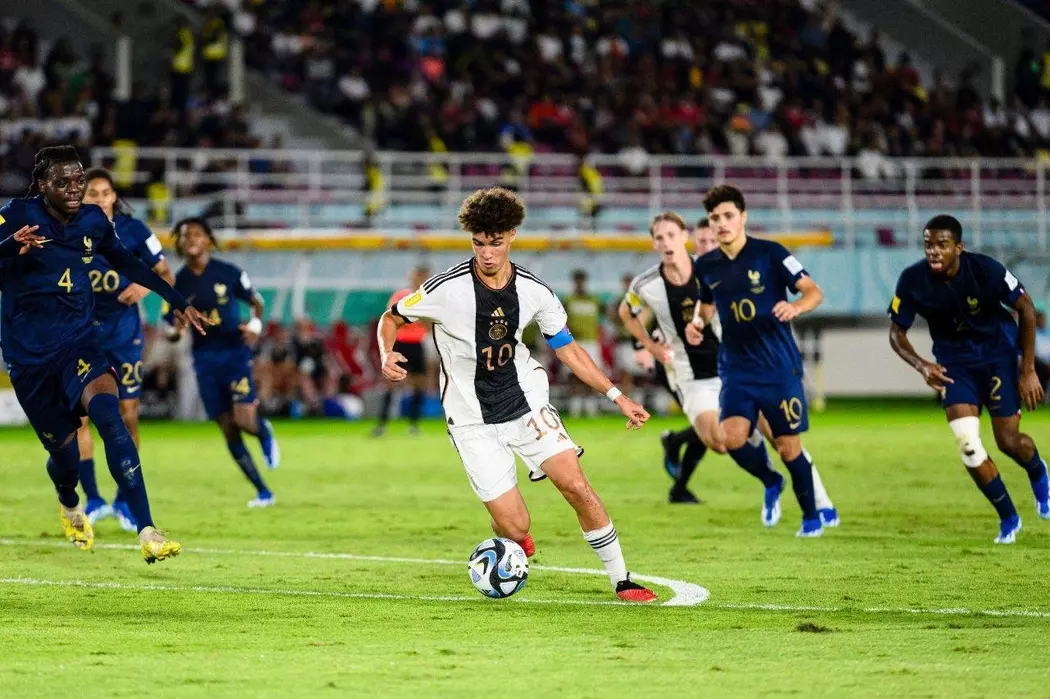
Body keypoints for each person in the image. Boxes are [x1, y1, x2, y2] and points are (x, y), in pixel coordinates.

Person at [377, 186, 657, 603]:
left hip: (526, 403)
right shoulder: (445, 289)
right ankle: (513, 538)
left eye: (495, 242)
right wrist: (386, 353)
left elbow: (568, 348)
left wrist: (617, 395)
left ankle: (622, 579)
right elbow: (391, 318)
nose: (487, 253)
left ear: (511, 235)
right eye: (478, 243)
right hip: (470, 419)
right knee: (516, 526)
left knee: (575, 484)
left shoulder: (534, 291)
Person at [0, 145, 208, 562]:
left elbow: (128, 263)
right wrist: (8, 247)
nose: (74, 189)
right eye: (63, 181)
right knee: (65, 457)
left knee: (111, 418)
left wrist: (176, 300)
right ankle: (69, 499)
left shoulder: (94, 220)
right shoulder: (16, 214)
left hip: (79, 341)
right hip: (29, 357)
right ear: (42, 185)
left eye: (79, 180)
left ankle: (147, 528)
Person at [888, 215, 1049, 543]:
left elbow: (1026, 308)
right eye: (928, 244)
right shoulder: (913, 280)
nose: (934, 251)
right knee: (968, 444)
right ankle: (1008, 517)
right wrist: (922, 365)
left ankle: (1037, 471)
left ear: (958, 247)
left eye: (942, 244)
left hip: (997, 359)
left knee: (1008, 441)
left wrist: (1028, 369)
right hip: (955, 366)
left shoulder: (985, 270)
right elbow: (896, 333)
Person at [689, 185, 832, 537]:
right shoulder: (706, 265)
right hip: (736, 369)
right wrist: (697, 323)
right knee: (732, 438)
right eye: (714, 218)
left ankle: (811, 517)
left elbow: (813, 291)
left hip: (778, 368)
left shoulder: (771, 253)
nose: (721, 223)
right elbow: (706, 305)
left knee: (788, 447)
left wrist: (796, 307)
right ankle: (771, 481)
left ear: (743, 217)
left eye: (728, 216)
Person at [72, 168, 176, 530]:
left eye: (105, 192)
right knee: (79, 417)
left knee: (127, 415)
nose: (100, 199)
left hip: (123, 337)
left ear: (115, 196)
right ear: (82, 198)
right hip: (82, 336)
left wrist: (143, 288)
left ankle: (123, 500)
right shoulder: (70, 230)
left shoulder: (134, 231)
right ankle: (93, 499)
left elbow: (166, 273)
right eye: (93, 193)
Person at [165, 217, 280, 507]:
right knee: (228, 427)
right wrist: (176, 332)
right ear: (179, 243)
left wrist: (254, 326)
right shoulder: (176, 283)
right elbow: (169, 324)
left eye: (197, 234)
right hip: (204, 360)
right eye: (185, 235)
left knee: (244, 420)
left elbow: (256, 301)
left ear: (208, 239)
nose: (191, 239)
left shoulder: (229, 272)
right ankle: (263, 491)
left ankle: (263, 431)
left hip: (234, 354)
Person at [374, 266, 431, 436]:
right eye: (418, 276)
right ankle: (382, 424)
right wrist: (416, 318)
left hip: (417, 344)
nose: (420, 279)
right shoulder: (401, 296)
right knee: (391, 384)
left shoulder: (429, 298)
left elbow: (429, 324)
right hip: (400, 344)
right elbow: (391, 318)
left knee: (419, 384)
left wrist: (413, 318)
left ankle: (414, 424)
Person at [563, 269, 604, 417]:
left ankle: (590, 407)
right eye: (577, 280)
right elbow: (560, 321)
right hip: (573, 342)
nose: (579, 283)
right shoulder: (568, 300)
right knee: (573, 374)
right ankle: (575, 406)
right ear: (574, 282)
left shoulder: (594, 300)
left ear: (585, 281)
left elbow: (605, 316)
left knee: (592, 373)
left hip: (591, 342)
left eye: (581, 280)